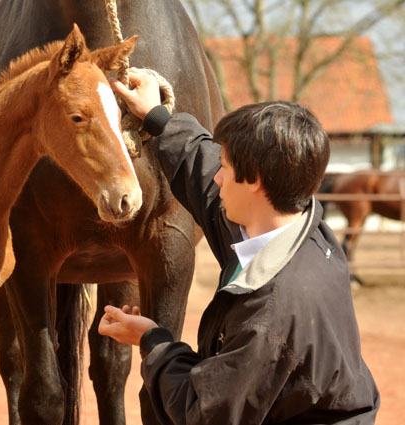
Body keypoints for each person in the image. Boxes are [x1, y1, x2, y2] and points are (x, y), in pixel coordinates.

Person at [99, 69, 380, 424]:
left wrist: (154, 342)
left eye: (226, 167)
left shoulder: (269, 314)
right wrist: (157, 117)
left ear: (256, 182)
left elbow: (203, 413)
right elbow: (200, 170)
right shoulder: (297, 226)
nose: (217, 176)